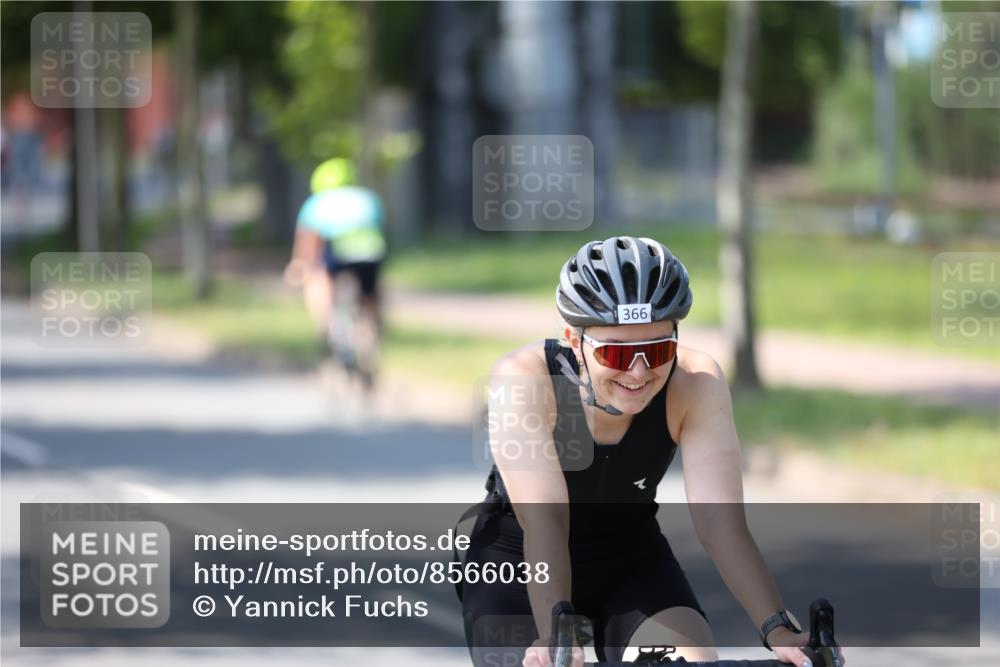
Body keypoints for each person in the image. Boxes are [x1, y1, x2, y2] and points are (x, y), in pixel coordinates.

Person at [461, 236, 841, 667]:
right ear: (572, 338)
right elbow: (545, 519)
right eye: (617, 354)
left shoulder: (695, 383)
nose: (639, 372)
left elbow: (721, 524)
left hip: (630, 561)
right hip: (520, 564)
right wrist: (554, 636)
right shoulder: (526, 380)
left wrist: (778, 628)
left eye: (659, 350)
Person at [284, 157, 386, 368]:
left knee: (317, 279)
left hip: (337, 250)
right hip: (370, 252)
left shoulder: (317, 203)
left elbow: (308, 244)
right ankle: (371, 334)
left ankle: (327, 327)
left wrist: (299, 267)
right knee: (370, 296)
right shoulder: (369, 198)